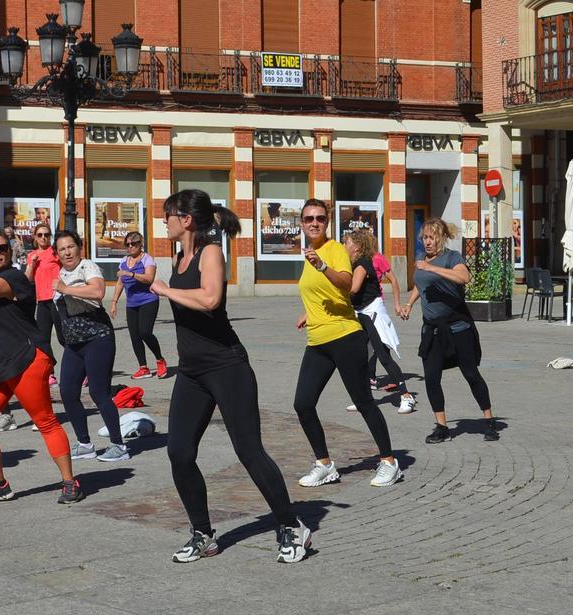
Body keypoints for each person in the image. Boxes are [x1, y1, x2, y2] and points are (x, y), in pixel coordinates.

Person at [150, 189, 310, 563]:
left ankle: (291, 525)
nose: (163, 221)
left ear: (186, 219)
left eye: (168, 214)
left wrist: (164, 289)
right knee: (179, 452)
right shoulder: (178, 255)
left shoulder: (210, 253)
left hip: (227, 366)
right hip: (191, 371)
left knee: (248, 450)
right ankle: (203, 533)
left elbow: (210, 300)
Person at [0, 231, 84, 505]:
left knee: (45, 420)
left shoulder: (14, 278)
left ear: (10, 252)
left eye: (1, 248)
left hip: (25, 360)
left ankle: (70, 482)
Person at [292, 198, 400, 489]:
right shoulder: (310, 253)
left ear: (327, 222)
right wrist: (308, 312)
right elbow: (322, 294)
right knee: (303, 404)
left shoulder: (335, 251)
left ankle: (390, 462)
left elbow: (345, 283)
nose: (314, 223)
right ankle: (325, 465)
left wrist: (323, 266)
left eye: (320, 218)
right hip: (317, 340)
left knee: (364, 402)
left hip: (345, 337)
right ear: (302, 223)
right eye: (309, 218)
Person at [398, 218, 500, 444]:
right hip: (432, 330)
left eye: (432, 237)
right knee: (431, 378)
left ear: (442, 238)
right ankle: (442, 427)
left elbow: (464, 277)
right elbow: (421, 284)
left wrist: (432, 268)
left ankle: (489, 420)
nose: (428, 242)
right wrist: (409, 304)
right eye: (425, 237)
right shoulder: (422, 259)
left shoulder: (452, 257)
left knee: (471, 374)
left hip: (458, 328)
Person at [53, 230, 129, 463]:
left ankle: (119, 445)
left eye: (70, 247)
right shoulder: (61, 273)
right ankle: (85, 444)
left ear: (79, 247)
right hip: (74, 344)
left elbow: (97, 291)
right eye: (62, 249)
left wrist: (65, 289)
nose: (67, 252)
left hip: (98, 338)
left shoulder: (88, 267)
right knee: (67, 392)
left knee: (99, 392)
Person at [342, 229, 415, 415]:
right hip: (360, 312)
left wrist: (333, 294)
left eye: (347, 242)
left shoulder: (362, 264)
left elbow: (353, 289)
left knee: (383, 355)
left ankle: (406, 396)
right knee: (360, 358)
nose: (344, 245)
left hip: (372, 311)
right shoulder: (352, 263)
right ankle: (363, 400)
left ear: (357, 246)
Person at [110, 231, 168, 379]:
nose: (130, 247)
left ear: (140, 244)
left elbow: (149, 278)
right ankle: (143, 367)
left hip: (148, 300)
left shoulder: (147, 259)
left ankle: (160, 360)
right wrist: (114, 302)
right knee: (134, 336)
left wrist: (131, 274)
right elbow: (120, 283)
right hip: (131, 304)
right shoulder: (124, 261)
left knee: (145, 333)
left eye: (133, 244)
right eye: (127, 244)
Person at [23, 222, 61, 386]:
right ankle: (50, 373)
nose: (43, 238)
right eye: (40, 235)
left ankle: (83, 369)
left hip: (57, 299)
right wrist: (32, 264)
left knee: (64, 338)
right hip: (42, 301)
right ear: (35, 237)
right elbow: (27, 279)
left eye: (46, 235)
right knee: (42, 340)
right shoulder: (32, 255)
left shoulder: (55, 252)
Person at [369, 246, 405, 389]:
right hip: (362, 306)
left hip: (375, 306)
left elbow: (393, 280)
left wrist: (397, 304)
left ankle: (394, 378)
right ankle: (373, 377)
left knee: (378, 342)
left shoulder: (378, 258)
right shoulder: (358, 259)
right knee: (370, 342)